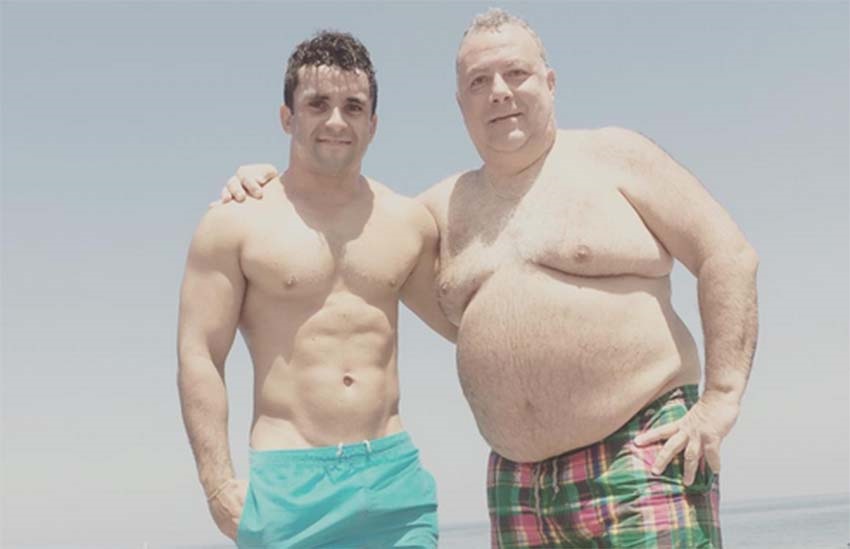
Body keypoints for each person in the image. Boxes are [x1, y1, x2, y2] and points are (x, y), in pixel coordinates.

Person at [220, 9, 758, 548]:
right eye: (479, 82)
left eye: (515, 73)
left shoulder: (614, 156)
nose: (499, 92)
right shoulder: (435, 211)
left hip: (640, 456)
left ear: (549, 82)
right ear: (461, 103)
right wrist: (270, 184)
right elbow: (341, 216)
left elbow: (727, 254)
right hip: (517, 487)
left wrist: (721, 399)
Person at [177, 30, 455, 548]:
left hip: (392, 482)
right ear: (288, 117)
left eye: (354, 107)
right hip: (289, 485)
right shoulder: (235, 222)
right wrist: (217, 485)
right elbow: (199, 354)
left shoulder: (407, 222)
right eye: (317, 104)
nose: (336, 121)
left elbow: (466, 325)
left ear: (373, 124)